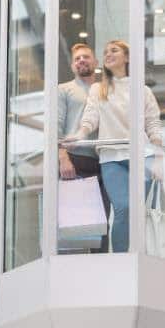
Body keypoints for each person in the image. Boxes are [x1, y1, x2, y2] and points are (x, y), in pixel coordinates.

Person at [68, 40, 163, 253]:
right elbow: (90, 118)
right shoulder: (98, 89)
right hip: (111, 158)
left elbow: (153, 124)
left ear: (127, 57)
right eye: (105, 52)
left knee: (140, 212)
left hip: (142, 156)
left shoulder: (142, 90)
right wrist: (79, 135)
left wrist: (158, 159)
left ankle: (140, 256)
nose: (108, 54)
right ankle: (122, 259)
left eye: (114, 50)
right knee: (124, 208)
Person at [58, 43, 110, 252]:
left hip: (104, 160)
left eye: (86, 57)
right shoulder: (64, 90)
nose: (81, 61)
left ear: (95, 63)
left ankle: (101, 267)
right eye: (77, 58)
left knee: (102, 220)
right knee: (75, 221)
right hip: (75, 160)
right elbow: (57, 126)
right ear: (72, 66)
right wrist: (63, 157)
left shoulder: (105, 90)